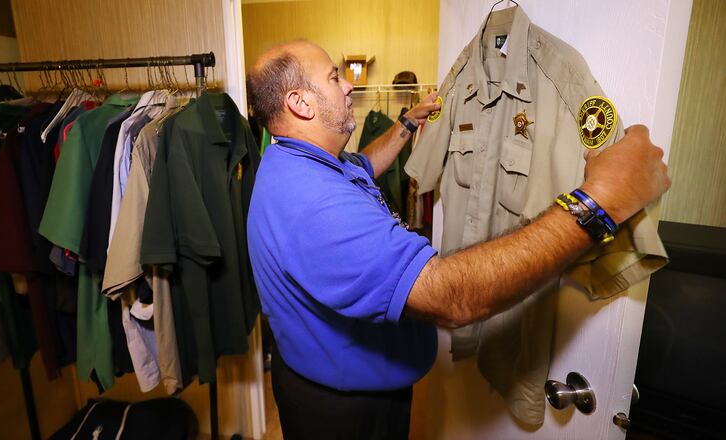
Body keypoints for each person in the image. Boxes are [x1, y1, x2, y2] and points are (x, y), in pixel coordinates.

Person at [245, 40, 670, 440]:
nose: (349, 84)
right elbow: (451, 298)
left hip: (332, 373)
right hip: (344, 408)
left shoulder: (305, 160)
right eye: (334, 77)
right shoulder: (314, 202)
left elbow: (362, 166)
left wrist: (408, 123)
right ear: (300, 103)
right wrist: (598, 202)